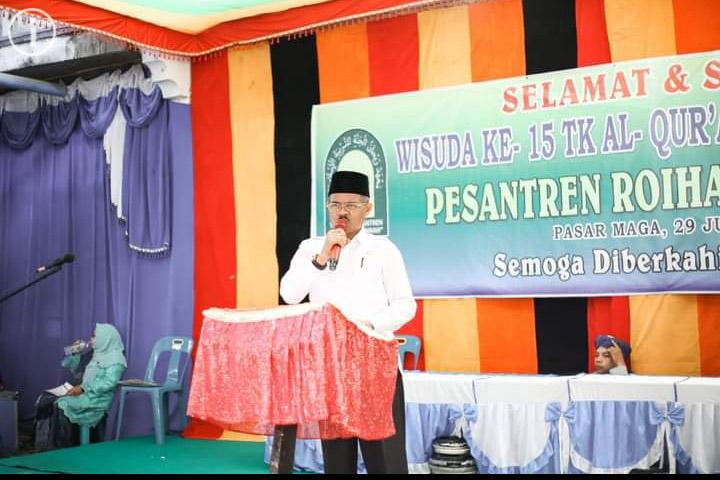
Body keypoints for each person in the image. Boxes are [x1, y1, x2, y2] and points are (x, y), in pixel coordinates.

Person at [280, 170, 416, 474]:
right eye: (336, 204)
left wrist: (369, 326)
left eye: (351, 205)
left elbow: (406, 305)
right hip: (331, 366)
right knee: (337, 461)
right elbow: (289, 295)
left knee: (385, 459)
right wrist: (321, 256)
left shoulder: (383, 250)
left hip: (375, 365)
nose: (342, 212)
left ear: (368, 208)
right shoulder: (311, 248)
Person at [34, 323, 127, 450]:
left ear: (106, 338)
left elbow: (109, 383)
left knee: (62, 404)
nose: (91, 339)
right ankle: (50, 446)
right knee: (47, 399)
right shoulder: (96, 354)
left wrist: (83, 388)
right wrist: (74, 351)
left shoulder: (116, 359)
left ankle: (64, 448)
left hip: (98, 399)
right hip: (85, 394)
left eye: (94, 336)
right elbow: (67, 365)